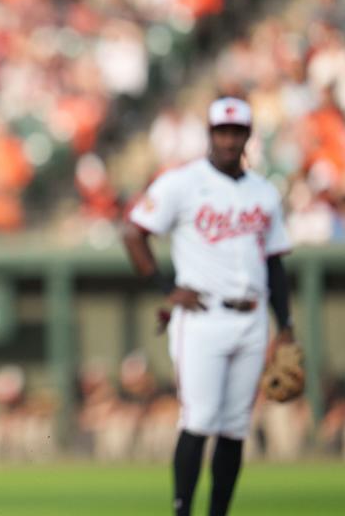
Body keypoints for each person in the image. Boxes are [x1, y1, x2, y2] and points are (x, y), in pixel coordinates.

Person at [122, 96, 294, 515]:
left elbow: (274, 265)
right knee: (199, 420)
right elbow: (133, 232)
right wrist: (167, 285)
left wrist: (285, 324)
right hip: (202, 316)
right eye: (222, 131)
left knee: (235, 428)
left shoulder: (264, 192)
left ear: (248, 136)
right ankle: (182, 509)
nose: (230, 140)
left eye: (237, 132)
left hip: (252, 317)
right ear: (210, 134)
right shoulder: (182, 182)